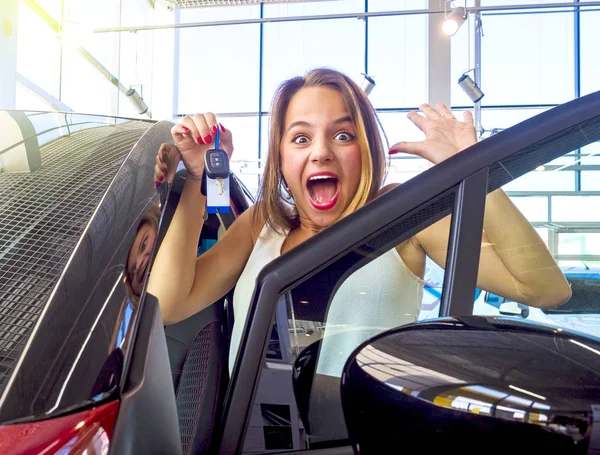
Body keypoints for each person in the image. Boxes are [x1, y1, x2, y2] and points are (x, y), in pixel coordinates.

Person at [148, 67, 571, 374]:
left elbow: (544, 289)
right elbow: (167, 304)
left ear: (367, 149)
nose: (321, 152)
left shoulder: (406, 220)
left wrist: (475, 167)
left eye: (343, 135)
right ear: (281, 157)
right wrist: (198, 178)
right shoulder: (264, 224)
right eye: (300, 137)